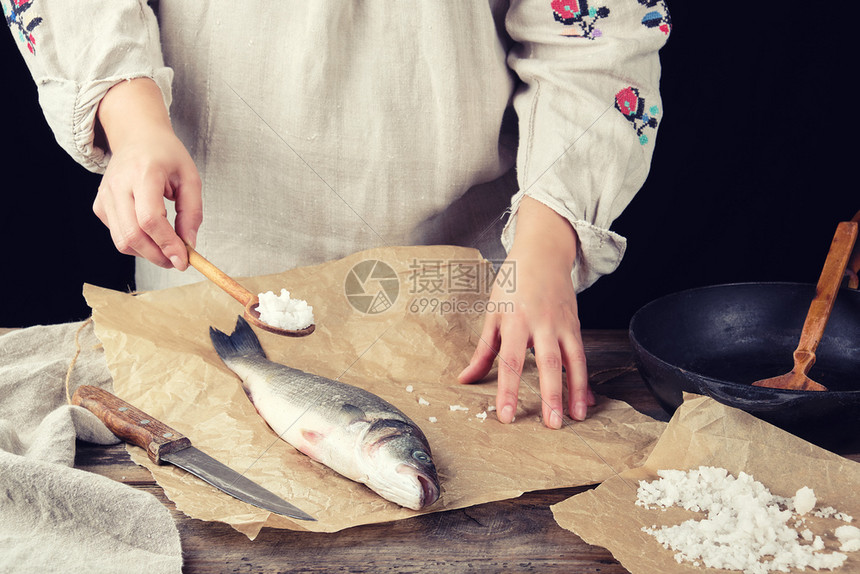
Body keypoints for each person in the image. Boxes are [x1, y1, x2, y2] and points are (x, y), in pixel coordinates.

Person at [3, 0, 670, 428]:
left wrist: (549, 241)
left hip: (471, 302)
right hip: (213, 270)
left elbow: (596, 35)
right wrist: (133, 121)